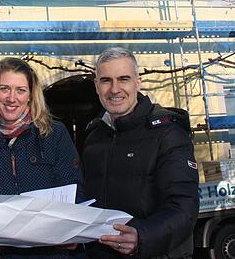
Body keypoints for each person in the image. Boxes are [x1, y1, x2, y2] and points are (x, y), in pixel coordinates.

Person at [0, 57, 84, 259]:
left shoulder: (54, 134)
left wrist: (73, 231)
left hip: (52, 252)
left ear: (30, 95)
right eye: (4, 89)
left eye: (20, 90)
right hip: (5, 254)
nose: (12, 98)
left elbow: (75, 188)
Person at [83, 47, 199, 259]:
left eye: (123, 79)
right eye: (106, 80)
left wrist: (142, 237)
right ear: (96, 86)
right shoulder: (94, 137)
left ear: (138, 82)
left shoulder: (168, 134)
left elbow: (184, 208)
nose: (115, 89)